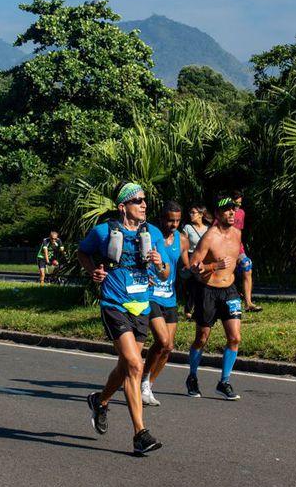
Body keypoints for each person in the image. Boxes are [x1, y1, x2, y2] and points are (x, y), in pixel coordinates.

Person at [79, 182, 166, 456]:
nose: (144, 204)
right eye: (138, 200)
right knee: (135, 364)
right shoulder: (103, 231)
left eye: (144, 200)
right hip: (114, 303)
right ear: (122, 206)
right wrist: (93, 272)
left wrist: (159, 264)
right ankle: (140, 433)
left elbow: (165, 273)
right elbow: (83, 252)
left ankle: (100, 401)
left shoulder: (152, 233)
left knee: (125, 367)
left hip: (141, 306)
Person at [185, 194, 244, 401]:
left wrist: (243, 261)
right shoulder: (209, 237)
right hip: (208, 290)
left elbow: (236, 256)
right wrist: (214, 266)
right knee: (201, 338)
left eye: (233, 209)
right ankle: (192, 377)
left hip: (230, 290)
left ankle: (224, 382)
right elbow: (193, 266)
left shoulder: (237, 234)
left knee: (235, 338)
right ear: (217, 214)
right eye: (227, 209)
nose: (231, 212)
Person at [141, 202, 188, 407]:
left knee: (168, 347)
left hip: (170, 297)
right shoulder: (149, 236)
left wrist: (194, 269)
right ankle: (142, 382)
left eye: (177, 220)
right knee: (162, 340)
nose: (174, 224)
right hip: (151, 295)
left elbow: (185, 266)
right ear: (162, 219)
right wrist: (144, 276)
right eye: (170, 220)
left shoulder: (182, 240)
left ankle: (147, 385)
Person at [232, 192, 262, 312]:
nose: (238, 206)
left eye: (240, 203)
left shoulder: (241, 213)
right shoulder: (223, 214)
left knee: (247, 265)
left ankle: (248, 303)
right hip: (225, 248)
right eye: (236, 203)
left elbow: (239, 231)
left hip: (238, 247)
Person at [180, 206, 209, 319]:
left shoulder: (208, 228)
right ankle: (189, 311)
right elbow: (183, 245)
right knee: (193, 285)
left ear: (201, 214)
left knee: (201, 285)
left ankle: (198, 310)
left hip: (204, 259)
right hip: (191, 257)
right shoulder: (187, 228)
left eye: (193, 212)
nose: (191, 214)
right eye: (190, 212)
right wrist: (185, 262)